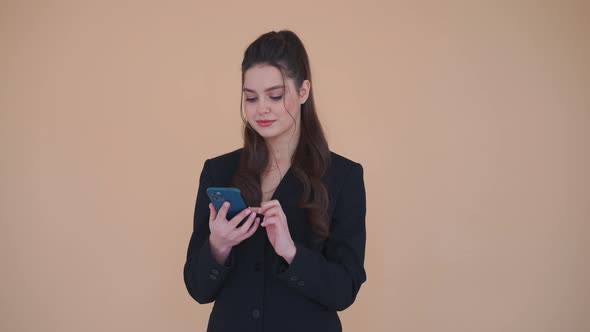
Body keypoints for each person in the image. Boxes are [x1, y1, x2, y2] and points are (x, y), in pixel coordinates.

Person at [183, 30, 367, 332]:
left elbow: (344, 290)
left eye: (275, 95)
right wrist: (218, 246)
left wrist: (290, 251)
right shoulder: (218, 171)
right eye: (250, 98)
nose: (261, 109)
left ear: (303, 91)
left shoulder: (344, 176)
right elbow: (198, 288)